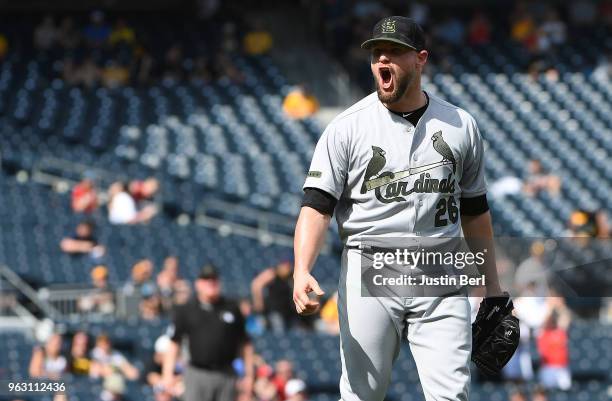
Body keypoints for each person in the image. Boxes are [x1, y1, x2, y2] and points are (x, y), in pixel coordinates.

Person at [293, 16, 504, 401]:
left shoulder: (461, 126)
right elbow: (316, 205)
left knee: (451, 395)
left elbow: (475, 211)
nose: (382, 60)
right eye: (376, 53)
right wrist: (301, 268)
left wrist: (491, 286)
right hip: (371, 264)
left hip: (441, 267)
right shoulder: (347, 127)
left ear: (420, 59)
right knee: (362, 395)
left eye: (393, 52)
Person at [162, 265, 254, 401]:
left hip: (226, 374)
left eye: (214, 279)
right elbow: (174, 343)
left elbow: (245, 344)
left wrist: (249, 376)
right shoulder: (187, 309)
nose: (211, 283)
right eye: (206, 279)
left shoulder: (232, 308)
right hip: (197, 373)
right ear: (198, 283)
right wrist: (167, 374)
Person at [537, 296, 572, 390]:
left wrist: (559, 305)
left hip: (562, 367)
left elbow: (565, 317)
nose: (550, 321)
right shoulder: (542, 333)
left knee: (565, 392)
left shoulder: (560, 331)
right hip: (548, 367)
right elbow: (544, 320)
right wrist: (550, 306)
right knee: (547, 391)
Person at [251, 261, 296, 333]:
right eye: (285, 265)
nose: (287, 268)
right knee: (279, 333)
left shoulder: (291, 276)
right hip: (274, 311)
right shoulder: (273, 273)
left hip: (288, 312)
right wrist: (258, 302)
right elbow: (256, 284)